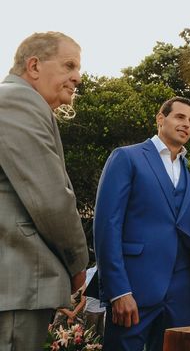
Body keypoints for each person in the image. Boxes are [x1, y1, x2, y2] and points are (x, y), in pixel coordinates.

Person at [94, 96, 190, 351]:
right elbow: (108, 226)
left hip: (179, 294)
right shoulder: (127, 158)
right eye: (180, 117)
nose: (187, 125)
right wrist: (118, 291)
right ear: (161, 119)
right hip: (134, 288)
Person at [0, 32, 89, 351]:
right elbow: (51, 201)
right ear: (34, 66)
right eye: (69, 65)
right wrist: (79, 265)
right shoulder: (16, 100)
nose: (77, 77)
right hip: (14, 287)